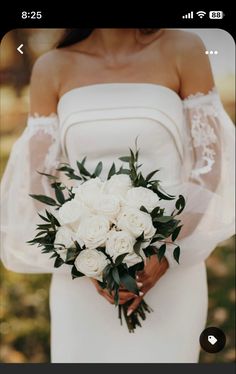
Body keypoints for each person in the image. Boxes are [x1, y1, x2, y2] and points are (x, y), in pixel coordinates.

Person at [0, 29, 234, 363]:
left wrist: (165, 249)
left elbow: (209, 165)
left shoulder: (184, 49)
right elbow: (41, 181)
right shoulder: (52, 67)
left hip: (172, 264)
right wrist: (89, 257)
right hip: (83, 276)